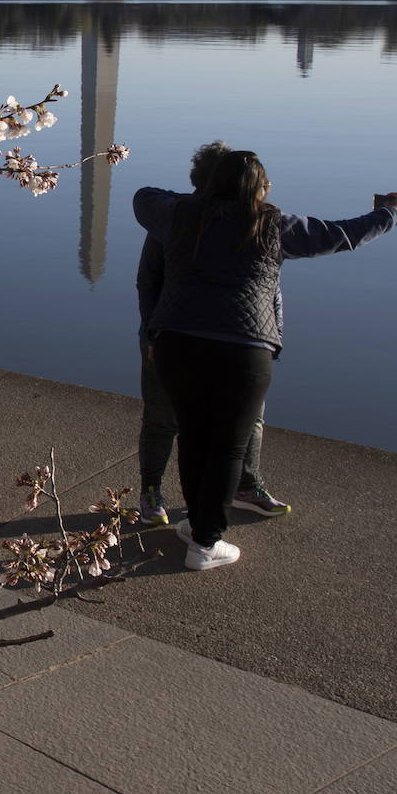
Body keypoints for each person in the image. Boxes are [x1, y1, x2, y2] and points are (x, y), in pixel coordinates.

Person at [133, 152, 397, 571]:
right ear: (255, 189)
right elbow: (343, 234)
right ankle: (205, 543)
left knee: (192, 436)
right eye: (265, 185)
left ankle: (196, 527)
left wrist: (202, 198)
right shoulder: (274, 225)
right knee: (229, 445)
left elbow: (142, 196)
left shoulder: (180, 216)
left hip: (177, 344)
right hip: (242, 350)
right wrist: (391, 212)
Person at [137, 141, 289, 526]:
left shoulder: (257, 221)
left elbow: (270, 289)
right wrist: (154, 335)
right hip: (172, 335)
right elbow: (148, 281)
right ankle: (151, 490)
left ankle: (245, 485)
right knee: (163, 417)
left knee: (249, 419)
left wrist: (275, 339)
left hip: (242, 339)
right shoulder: (175, 219)